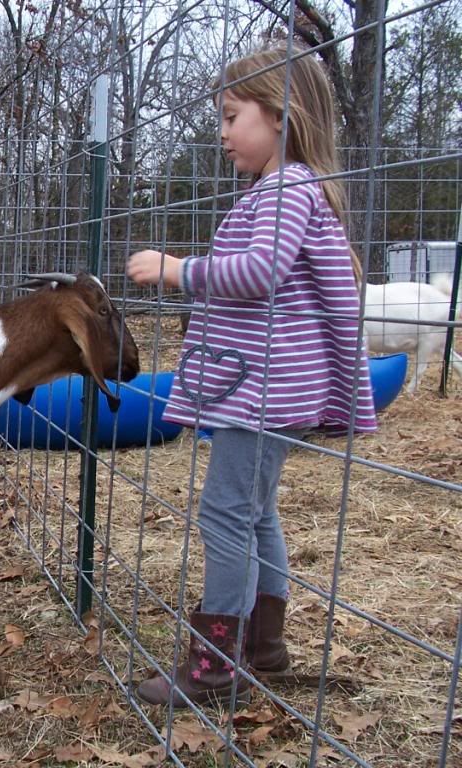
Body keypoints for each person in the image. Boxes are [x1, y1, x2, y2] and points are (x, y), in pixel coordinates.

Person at [126, 43, 378, 708]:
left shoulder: (286, 188)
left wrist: (177, 269)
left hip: (264, 392)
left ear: (280, 115)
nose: (222, 131)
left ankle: (215, 665)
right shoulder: (285, 188)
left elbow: (260, 272)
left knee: (225, 513)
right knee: (255, 512)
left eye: (232, 116)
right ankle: (264, 647)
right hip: (269, 389)